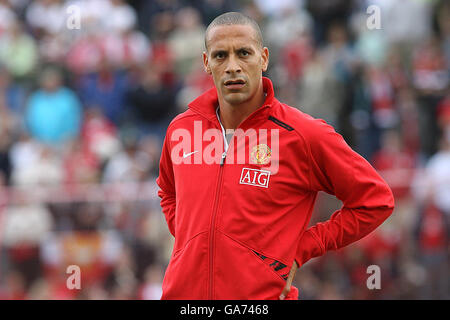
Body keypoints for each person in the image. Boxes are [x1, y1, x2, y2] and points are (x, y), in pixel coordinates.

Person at [156, 12, 394, 300]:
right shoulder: (181, 129)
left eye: (244, 53)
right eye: (220, 56)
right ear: (207, 63)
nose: (232, 66)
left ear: (264, 58)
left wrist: (302, 248)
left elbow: (375, 200)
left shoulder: (304, 135)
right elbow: (168, 192)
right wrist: (191, 241)